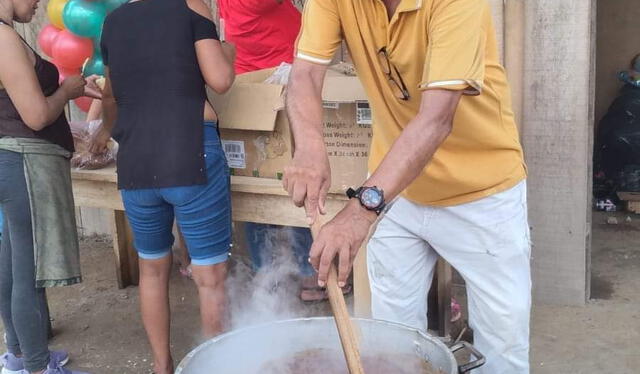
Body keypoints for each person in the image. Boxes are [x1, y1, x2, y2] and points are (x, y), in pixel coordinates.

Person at [283, 0, 530, 373]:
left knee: (503, 347)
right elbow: (304, 74)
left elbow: (436, 119)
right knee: (393, 342)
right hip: (397, 194)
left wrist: (362, 209)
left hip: (481, 192)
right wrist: (310, 148)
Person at [90, 0, 235, 372]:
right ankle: (218, 366)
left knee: (151, 268)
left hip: (136, 156)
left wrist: (105, 132)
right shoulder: (192, 8)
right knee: (209, 275)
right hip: (188, 150)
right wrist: (227, 52)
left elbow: (110, 95)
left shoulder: (114, 21)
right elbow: (220, 79)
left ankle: (161, 366)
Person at [218, 0, 337, 301]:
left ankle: (268, 271)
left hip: (258, 83)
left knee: (259, 178)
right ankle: (307, 273)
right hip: (280, 85)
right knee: (292, 179)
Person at [0, 1, 95, 373]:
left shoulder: (9, 36)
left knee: (12, 262)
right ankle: (37, 366)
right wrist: (68, 90)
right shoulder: (4, 38)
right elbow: (36, 115)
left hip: (13, 159)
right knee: (29, 270)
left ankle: (20, 354)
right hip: (24, 161)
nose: (39, 2)